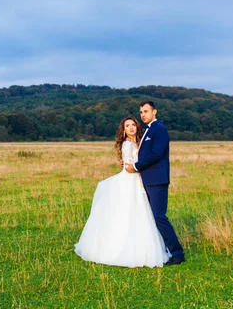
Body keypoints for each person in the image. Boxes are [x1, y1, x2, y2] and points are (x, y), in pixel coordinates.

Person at [75, 116, 171, 267]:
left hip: (141, 178)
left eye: (133, 125)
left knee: (144, 213)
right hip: (131, 180)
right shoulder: (127, 145)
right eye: (128, 126)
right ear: (124, 130)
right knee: (130, 212)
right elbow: (129, 165)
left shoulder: (140, 142)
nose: (131, 128)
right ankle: (124, 249)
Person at [125, 101, 185, 265]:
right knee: (151, 216)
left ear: (154, 111)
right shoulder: (147, 131)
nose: (143, 114)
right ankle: (163, 249)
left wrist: (136, 166)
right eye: (141, 112)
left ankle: (177, 253)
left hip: (157, 180)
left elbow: (156, 154)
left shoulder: (160, 130)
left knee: (159, 216)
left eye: (146, 111)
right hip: (148, 179)